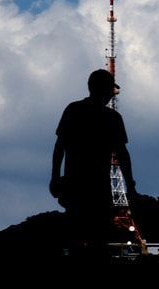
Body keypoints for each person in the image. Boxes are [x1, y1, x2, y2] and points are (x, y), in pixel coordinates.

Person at [51, 69, 135, 260]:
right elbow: (123, 155)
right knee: (100, 241)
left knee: (75, 238)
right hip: (99, 188)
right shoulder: (112, 118)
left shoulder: (73, 110)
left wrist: (55, 178)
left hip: (74, 185)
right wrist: (131, 185)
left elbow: (59, 147)